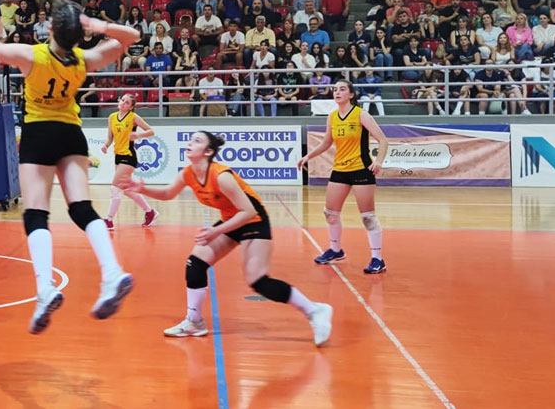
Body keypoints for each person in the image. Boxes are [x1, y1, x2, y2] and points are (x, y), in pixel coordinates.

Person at [0, 0, 139, 334]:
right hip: (71, 134)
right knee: (81, 208)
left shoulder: (32, 55)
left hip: (39, 134)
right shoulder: (84, 59)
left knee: (36, 213)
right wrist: (99, 26)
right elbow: (131, 37)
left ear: (51, 29)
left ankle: (45, 289)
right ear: (77, 33)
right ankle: (112, 273)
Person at [124, 131, 332, 344]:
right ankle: (194, 322)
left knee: (258, 281)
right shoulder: (188, 173)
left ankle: (315, 311)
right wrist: (143, 189)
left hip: (254, 221)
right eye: (191, 139)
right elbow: (168, 193)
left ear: (208, 151)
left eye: (197, 140)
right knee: (195, 263)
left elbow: (248, 212)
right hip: (231, 220)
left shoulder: (221, 176)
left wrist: (216, 231)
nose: (190, 143)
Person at [297, 80, 390, 274]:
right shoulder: (332, 117)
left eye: (342, 89)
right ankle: (336, 250)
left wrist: (379, 161)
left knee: (368, 217)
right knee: (330, 214)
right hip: (340, 169)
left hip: (361, 168)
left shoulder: (361, 114)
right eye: (335, 90)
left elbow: (382, 140)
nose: (337, 92)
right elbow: (326, 142)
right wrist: (308, 156)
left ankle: (377, 259)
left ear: (351, 94)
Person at [100, 94, 158, 230]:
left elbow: (151, 131)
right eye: (122, 100)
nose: (123, 103)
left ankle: (109, 220)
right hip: (118, 156)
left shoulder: (133, 117)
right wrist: (106, 145)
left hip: (129, 156)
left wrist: (138, 135)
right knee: (126, 190)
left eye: (126, 103)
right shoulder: (112, 117)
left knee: (115, 188)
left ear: (131, 107)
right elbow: (110, 137)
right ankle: (150, 212)